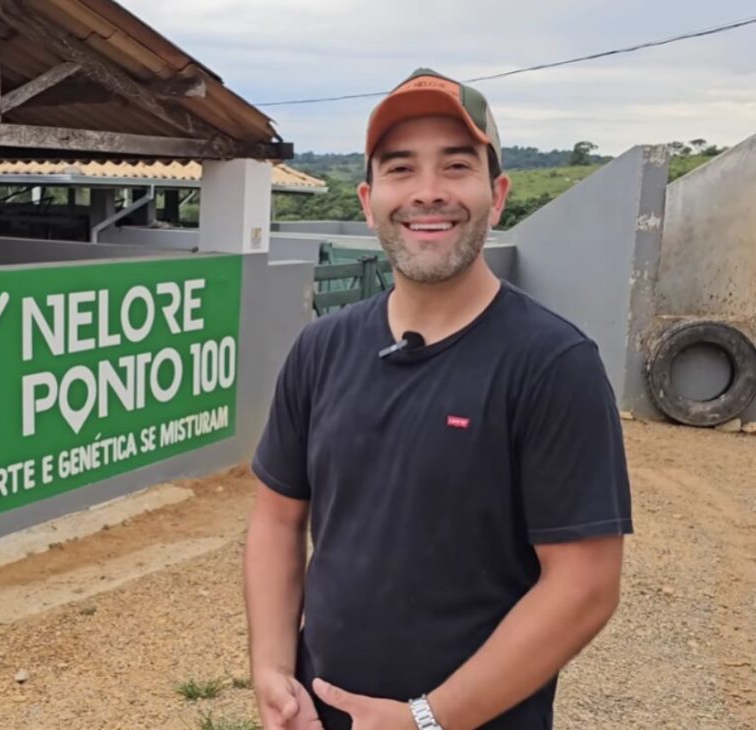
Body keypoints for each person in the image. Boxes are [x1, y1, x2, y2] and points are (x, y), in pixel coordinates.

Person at [243, 68, 633, 730]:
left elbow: (583, 586)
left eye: (455, 167)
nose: (427, 193)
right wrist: (272, 669)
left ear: (496, 193)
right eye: (400, 170)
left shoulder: (550, 365)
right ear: (368, 199)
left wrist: (427, 719)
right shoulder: (321, 350)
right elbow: (277, 520)